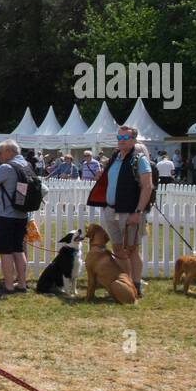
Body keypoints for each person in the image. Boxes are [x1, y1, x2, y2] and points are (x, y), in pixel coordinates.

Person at [87, 125, 153, 298]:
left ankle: (136, 285)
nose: (121, 141)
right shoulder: (115, 157)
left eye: (125, 138)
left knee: (131, 250)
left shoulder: (139, 160)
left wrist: (138, 212)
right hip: (111, 209)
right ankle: (125, 282)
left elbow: (147, 187)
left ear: (133, 140)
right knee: (118, 249)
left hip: (130, 212)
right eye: (119, 138)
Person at [0, 139, 31, 294]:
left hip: (4, 215)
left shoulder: (6, 167)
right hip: (22, 214)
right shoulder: (27, 166)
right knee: (18, 249)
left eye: (1, 153)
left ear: (10, 151)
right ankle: (22, 284)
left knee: (5, 251)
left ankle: (9, 286)